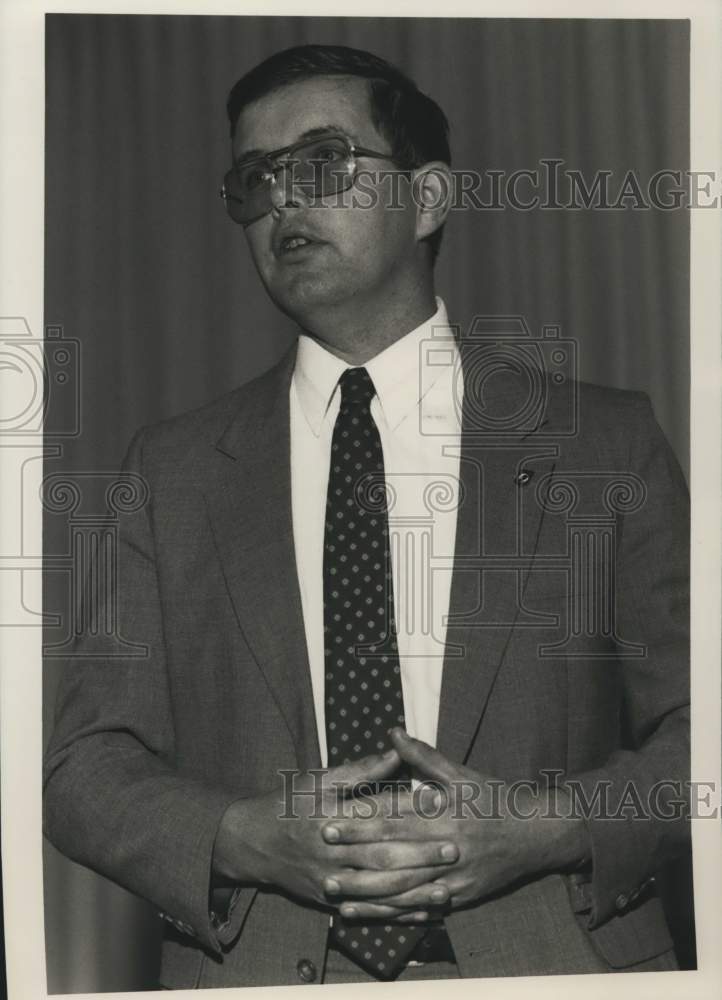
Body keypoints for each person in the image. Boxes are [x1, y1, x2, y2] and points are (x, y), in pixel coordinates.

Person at [43, 44, 690, 988]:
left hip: (559, 961)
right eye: (254, 178)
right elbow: (83, 771)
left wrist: (553, 827)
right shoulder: (170, 469)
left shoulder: (606, 444)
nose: (281, 202)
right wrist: (242, 838)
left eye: (320, 165)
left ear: (428, 199)